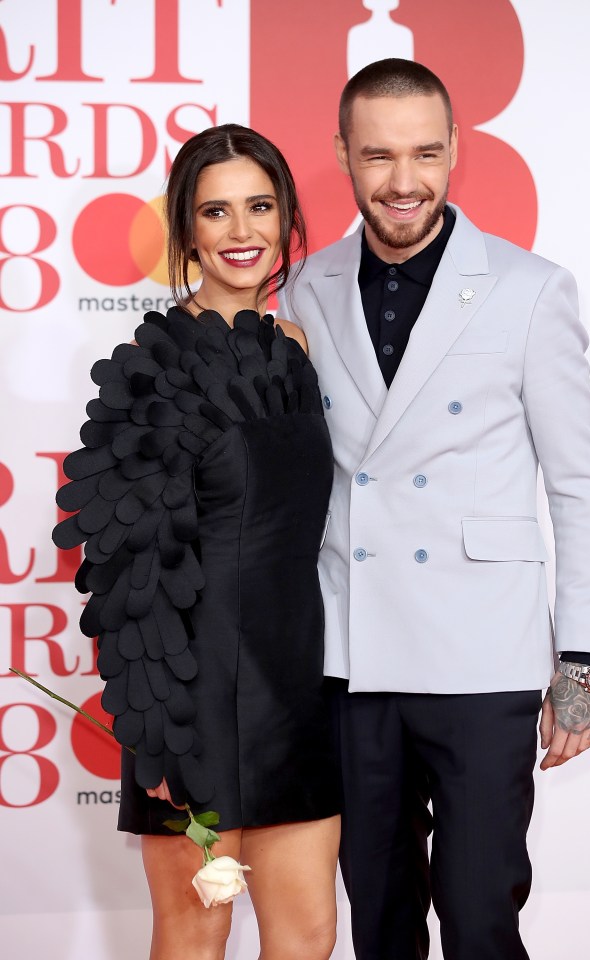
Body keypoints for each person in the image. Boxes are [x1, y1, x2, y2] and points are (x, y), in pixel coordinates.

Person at [279, 58, 590, 960]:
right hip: (354, 649)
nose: (403, 181)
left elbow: (576, 482)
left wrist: (582, 667)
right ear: (343, 153)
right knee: (380, 916)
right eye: (379, 155)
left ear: (456, 151)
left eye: (426, 154)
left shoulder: (530, 287)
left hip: (483, 650)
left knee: (478, 911)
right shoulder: (304, 287)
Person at [53, 124, 340, 960]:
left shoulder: (295, 348)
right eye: (217, 212)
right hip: (195, 693)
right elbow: (128, 562)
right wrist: (160, 725)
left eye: (259, 206)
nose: (242, 231)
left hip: (296, 681)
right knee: (195, 931)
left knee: (310, 935)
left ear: (286, 214)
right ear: (186, 231)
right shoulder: (152, 368)